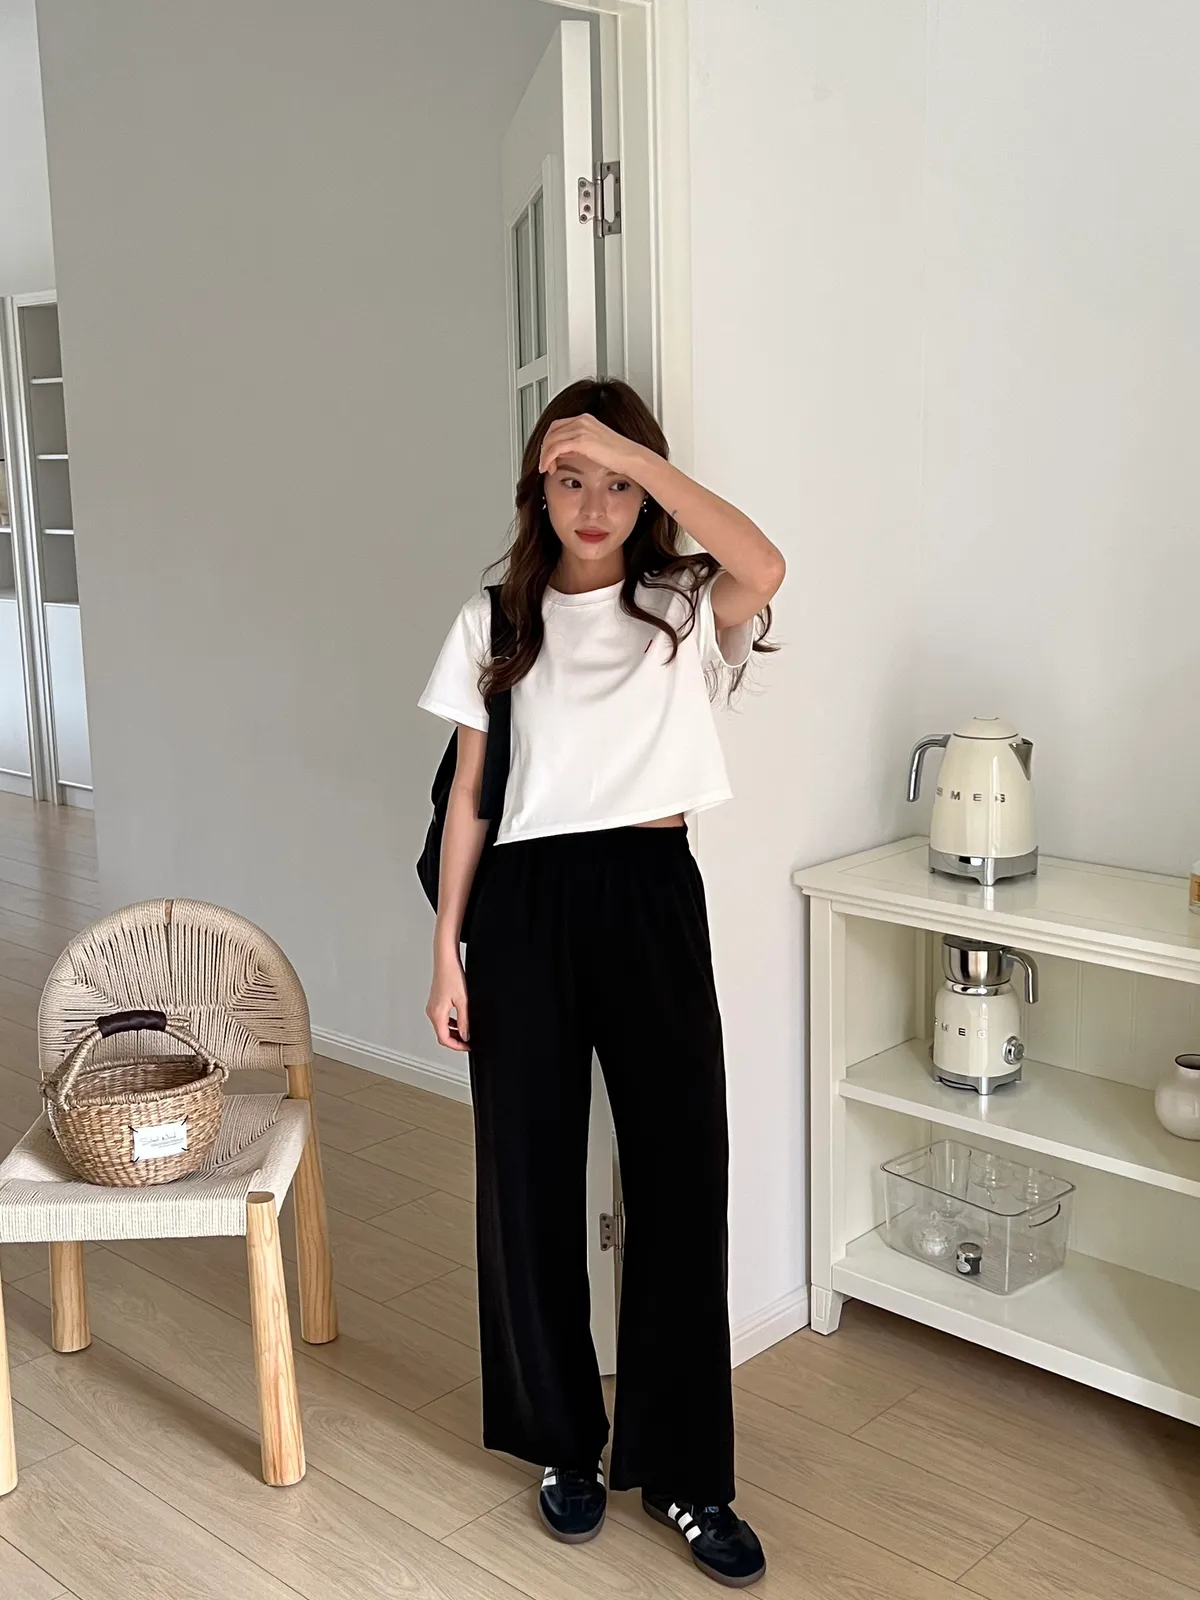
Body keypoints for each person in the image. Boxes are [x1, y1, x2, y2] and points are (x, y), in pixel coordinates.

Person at [419, 378, 784, 1588]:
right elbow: (472, 799)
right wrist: (446, 951)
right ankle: (561, 1443)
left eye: (618, 482)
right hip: (523, 908)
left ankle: (687, 1472)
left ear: (646, 489)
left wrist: (638, 457)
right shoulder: (494, 620)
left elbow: (767, 565)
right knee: (525, 1184)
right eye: (570, 477)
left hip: (649, 894)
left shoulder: (681, 605)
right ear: (538, 490)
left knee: (682, 1177)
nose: (594, 503)